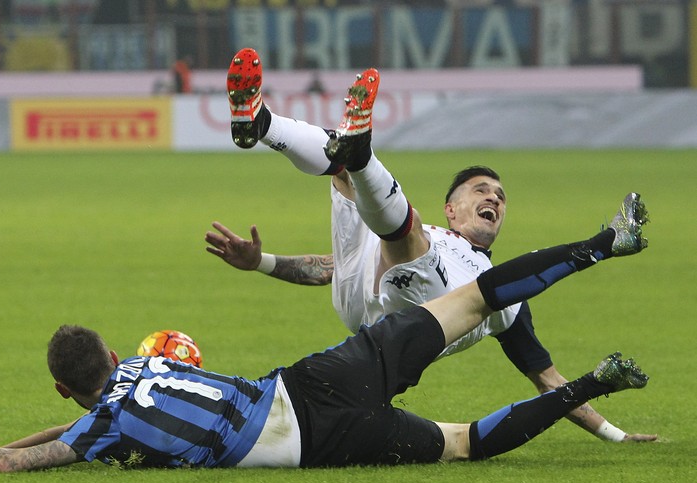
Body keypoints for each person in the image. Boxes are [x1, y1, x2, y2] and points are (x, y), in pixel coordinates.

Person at [0, 222, 650, 472]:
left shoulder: (99, 432)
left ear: (66, 395)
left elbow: (9, 460)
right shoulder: (150, 359)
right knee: (472, 296)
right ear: (110, 356)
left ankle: (590, 383)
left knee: (466, 445)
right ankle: (601, 243)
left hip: (316, 440)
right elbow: (77, 419)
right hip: (315, 377)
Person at [213, 48, 656, 443]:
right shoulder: (436, 238)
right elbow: (327, 268)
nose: (493, 199)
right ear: (452, 208)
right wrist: (261, 263)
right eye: (481, 190)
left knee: (403, 229)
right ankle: (261, 122)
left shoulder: (508, 301)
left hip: (414, 321)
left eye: (500, 197)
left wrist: (613, 434)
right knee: (344, 170)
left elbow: (547, 379)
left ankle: (354, 148)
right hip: (360, 294)